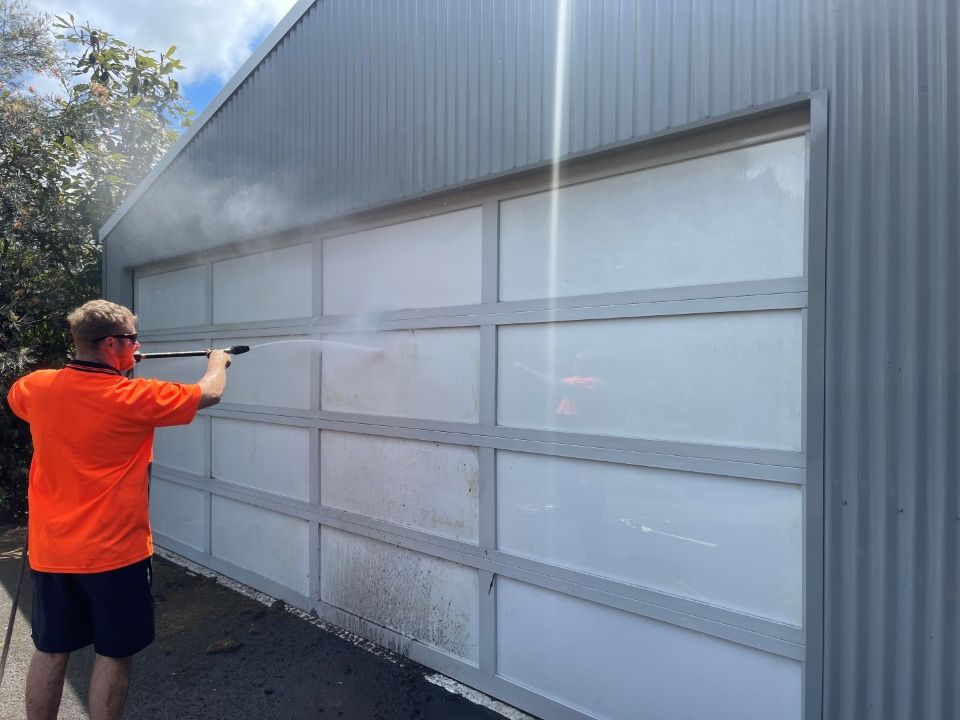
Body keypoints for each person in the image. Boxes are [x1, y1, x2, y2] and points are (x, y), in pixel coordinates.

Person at [5, 299, 232, 720]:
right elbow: (210, 392)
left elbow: (31, 398)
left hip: (52, 551)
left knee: (52, 649)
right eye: (131, 339)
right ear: (112, 343)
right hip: (114, 555)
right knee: (114, 653)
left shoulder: (35, 386)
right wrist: (218, 360)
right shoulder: (135, 397)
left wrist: (112, 365)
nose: (138, 344)